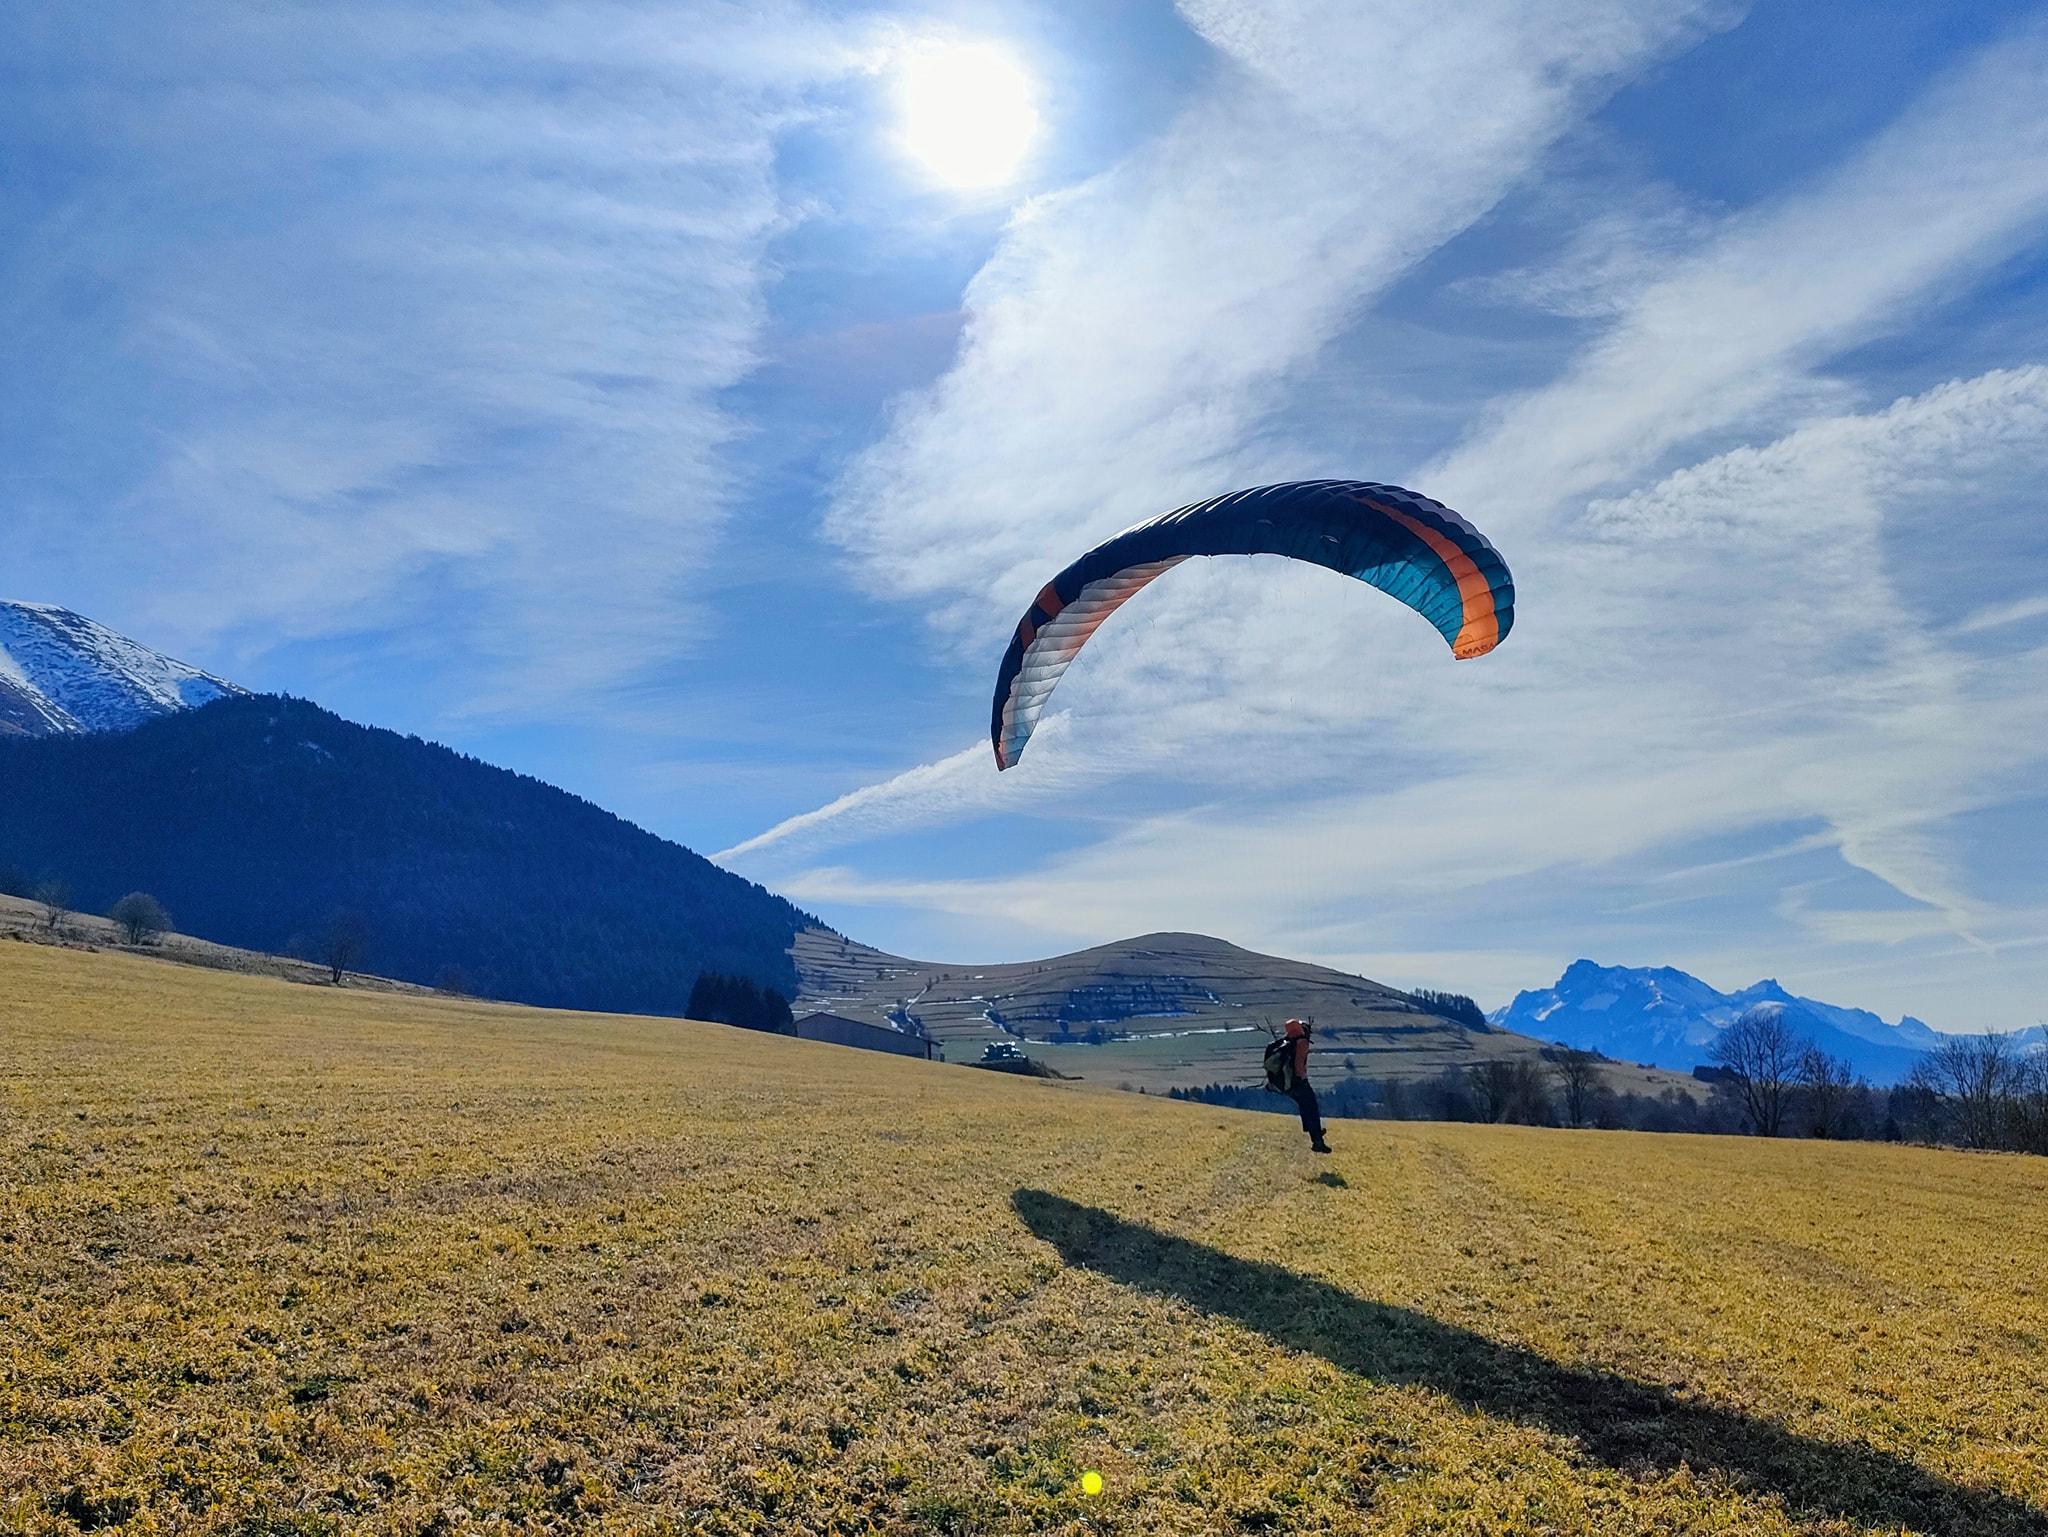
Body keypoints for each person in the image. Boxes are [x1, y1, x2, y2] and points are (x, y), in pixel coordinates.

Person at [1282, 1019, 1330, 1153]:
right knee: (1312, 1107)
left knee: (1305, 1108)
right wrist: (1303, 1078)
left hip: (1289, 1083)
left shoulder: (1287, 1041)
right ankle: (1317, 1140)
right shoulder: (1302, 1042)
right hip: (1298, 1081)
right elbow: (1299, 1064)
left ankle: (1315, 1134)